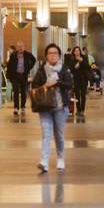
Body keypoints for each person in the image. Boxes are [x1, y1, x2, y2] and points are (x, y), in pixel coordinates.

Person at [31, 43, 74, 172]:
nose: (52, 55)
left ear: (59, 55)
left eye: (55, 53)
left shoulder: (64, 69)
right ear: (46, 56)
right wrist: (44, 86)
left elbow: (70, 84)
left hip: (60, 106)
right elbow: (34, 86)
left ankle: (60, 157)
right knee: (46, 133)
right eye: (50, 53)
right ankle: (44, 160)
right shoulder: (41, 70)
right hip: (45, 106)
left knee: (58, 133)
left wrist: (57, 82)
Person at [6, 40, 36, 115]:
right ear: (16, 47)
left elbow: (34, 60)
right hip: (15, 76)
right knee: (15, 91)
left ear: (23, 47)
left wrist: (28, 68)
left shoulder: (27, 55)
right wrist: (8, 76)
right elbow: (9, 66)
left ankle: (23, 107)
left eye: (21, 46)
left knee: (23, 92)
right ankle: (16, 108)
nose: (20, 48)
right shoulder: (13, 55)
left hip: (23, 75)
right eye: (18, 47)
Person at [67, 46, 91, 116]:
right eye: (75, 51)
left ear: (80, 51)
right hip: (76, 79)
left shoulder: (84, 57)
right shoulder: (72, 59)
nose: (77, 52)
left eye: (78, 50)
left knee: (83, 94)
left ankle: (82, 109)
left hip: (83, 78)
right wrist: (74, 68)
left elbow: (88, 67)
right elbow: (71, 70)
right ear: (73, 52)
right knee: (77, 94)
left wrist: (81, 60)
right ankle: (78, 109)